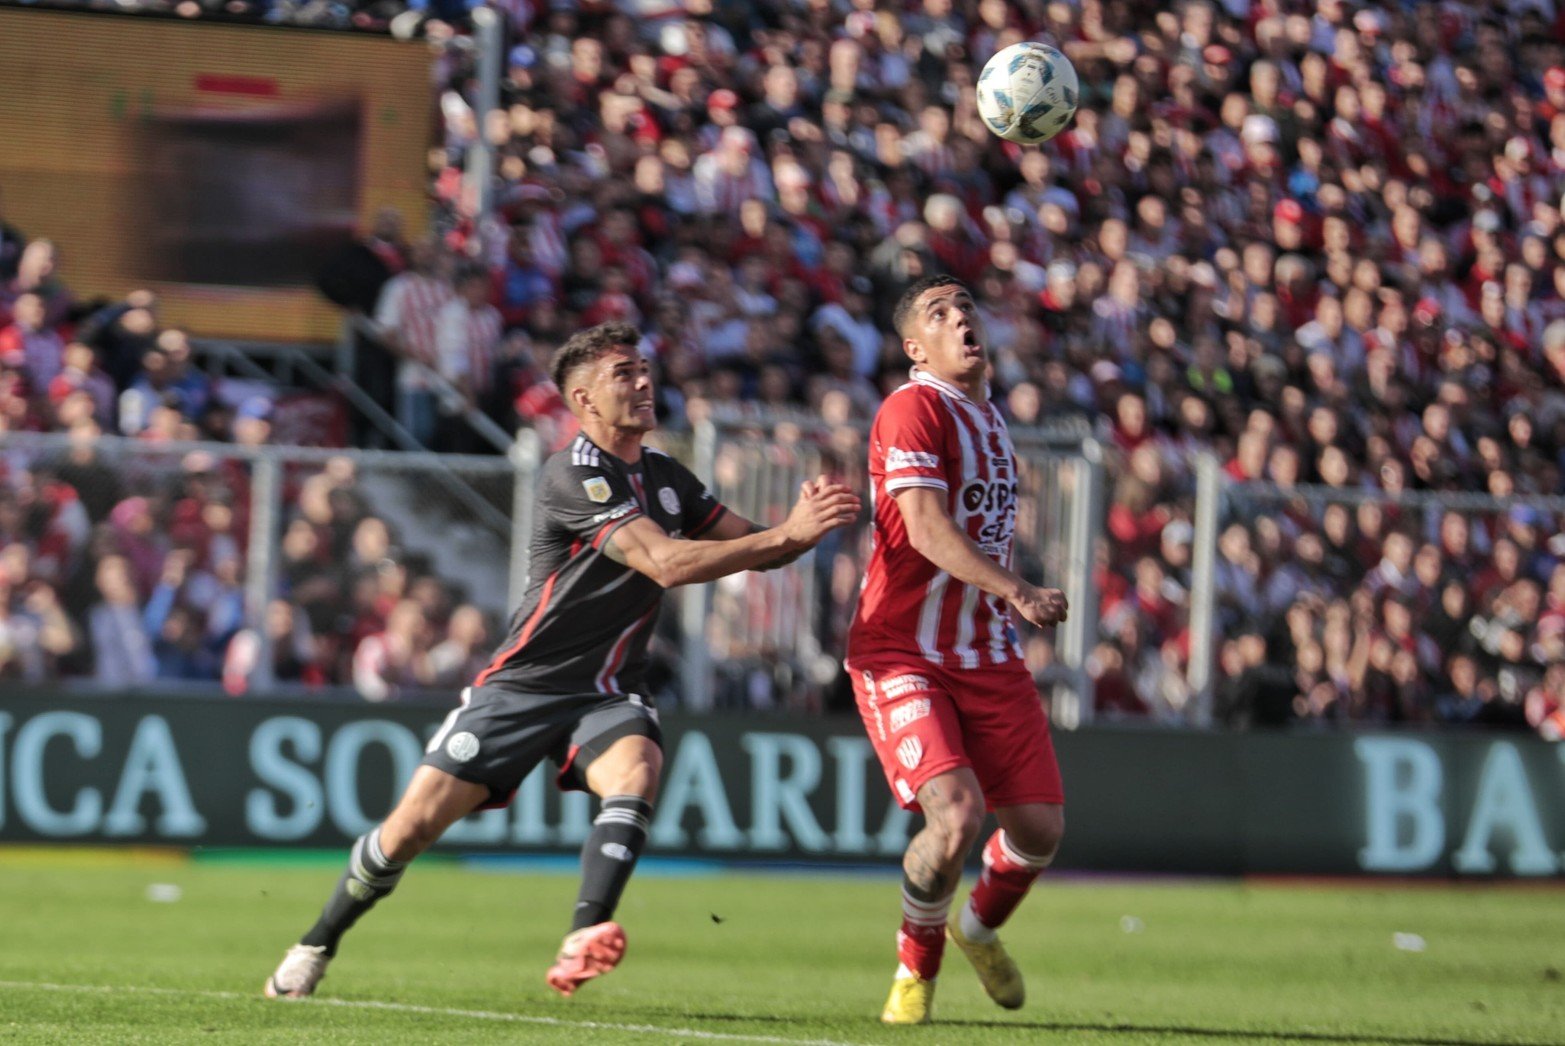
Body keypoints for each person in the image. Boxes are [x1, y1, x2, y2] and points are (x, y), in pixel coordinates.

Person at [264, 321, 859, 1001]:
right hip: (525, 683)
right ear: (581, 399)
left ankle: (584, 932)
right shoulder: (572, 474)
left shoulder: (667, 478)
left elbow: (761, 547)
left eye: (644, 370)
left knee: (636, 771)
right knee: (408, 830)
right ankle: (316, 942)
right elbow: (664, 562)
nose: (642, 383)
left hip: (608, 687)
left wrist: (804, 527)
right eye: (623, 375)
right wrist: (787, 535)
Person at [844, 275, 1069, 1025]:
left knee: (1038, 830)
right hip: (900, 650)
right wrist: (1017, 590)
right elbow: (926, 531)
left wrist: (1003, 598)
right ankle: (915, 968)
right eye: (939, 314)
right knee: (955, 818)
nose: (960, 320)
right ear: (916, 347)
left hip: (984, 654)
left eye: (966, 308)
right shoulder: (912, 408)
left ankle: (976, 928)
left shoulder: (989, 419)